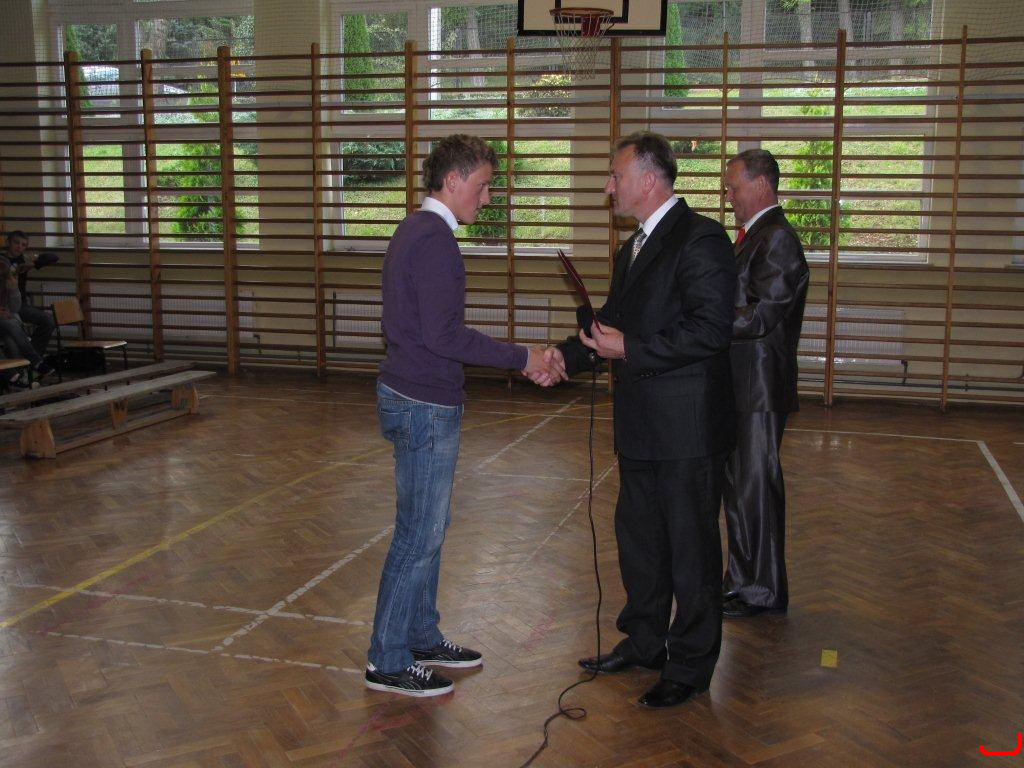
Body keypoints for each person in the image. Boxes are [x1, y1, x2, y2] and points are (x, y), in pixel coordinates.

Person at [366, 134, 563, 698]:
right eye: (482, 185)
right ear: (452, 181)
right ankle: (387, 659)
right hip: (423, 405)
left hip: (416, 397)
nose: (488, 197)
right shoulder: (433, 239)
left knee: (429, 529)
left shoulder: (416, 230)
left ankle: (420, 636)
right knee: (418, 536)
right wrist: (524, 357)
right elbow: (444, 336)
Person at [545, 132, 736, 709]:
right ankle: (646, 641)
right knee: (641, 542)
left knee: (691, 549)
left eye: (616, 176)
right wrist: (559, 358)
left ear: (649, 180)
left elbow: (710, 330)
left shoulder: (701, 237)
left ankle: (691, 665)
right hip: (641, 426)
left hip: (687, 429)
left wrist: (629, 348)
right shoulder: (632, 248)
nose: (608, 187)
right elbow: (612, 323)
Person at [720, 149, 809, 619]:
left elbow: (760, 316)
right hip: (743, 386)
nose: (728, 195)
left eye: (733, 186)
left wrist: (704, 321)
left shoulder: (776, 239)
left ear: (761, 185)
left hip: (758, 388)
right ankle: (742, 580)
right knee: (740, 490)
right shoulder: (756, 236)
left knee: (755, 490)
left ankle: (762, 590)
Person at [2, 230, 57, 358]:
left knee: (49, 320)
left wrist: (34, 264)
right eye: (16, 243)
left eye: (23, 245)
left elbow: (53, 257)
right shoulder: (2, 260)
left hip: (20, 305)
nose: (19, 247)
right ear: (8, 242)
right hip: (4, 305)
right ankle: (30, 360)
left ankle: (34, 358)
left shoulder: (24, 260)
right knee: (14, 328)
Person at [0, 259, 54, 380]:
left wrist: (14, 290)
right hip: (6, 323)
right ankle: (35, 362)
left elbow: (15, 308)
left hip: (5, 323)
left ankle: (18, 377)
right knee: (12, 325)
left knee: (11, 339)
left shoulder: (6, 283)